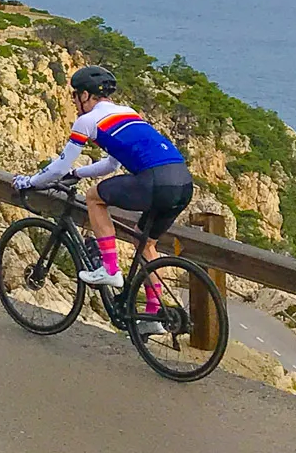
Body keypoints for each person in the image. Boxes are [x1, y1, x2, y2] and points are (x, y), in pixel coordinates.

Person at [12, 64, 195, 335]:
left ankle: (109, 268)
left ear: (86, 95)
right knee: (147, 243)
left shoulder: (87, 121)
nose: (73, 101)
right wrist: (78, 173)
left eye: (75, 95)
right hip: (182, 183)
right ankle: (153, 315)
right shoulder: (128, 113)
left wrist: (30, 181)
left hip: (154, 181)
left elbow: (59, 167)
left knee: (94, 198)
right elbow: (111, 165)